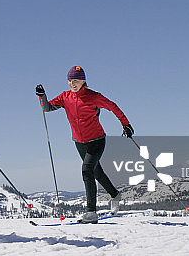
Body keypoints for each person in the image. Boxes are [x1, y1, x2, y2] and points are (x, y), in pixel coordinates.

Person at [36, 66, 134, 223]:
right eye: (69, 80)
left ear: (83, 81)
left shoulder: (93, 96)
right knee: (96, 172)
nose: (72, 83)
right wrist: (42, 96)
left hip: (97, 140)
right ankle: (115, 194)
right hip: (79, 142)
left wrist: (126, 125)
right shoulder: (65, 97)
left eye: (75, 80)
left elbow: (113, 107)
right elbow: (46, 108)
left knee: (86, 170)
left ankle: (91, 213)